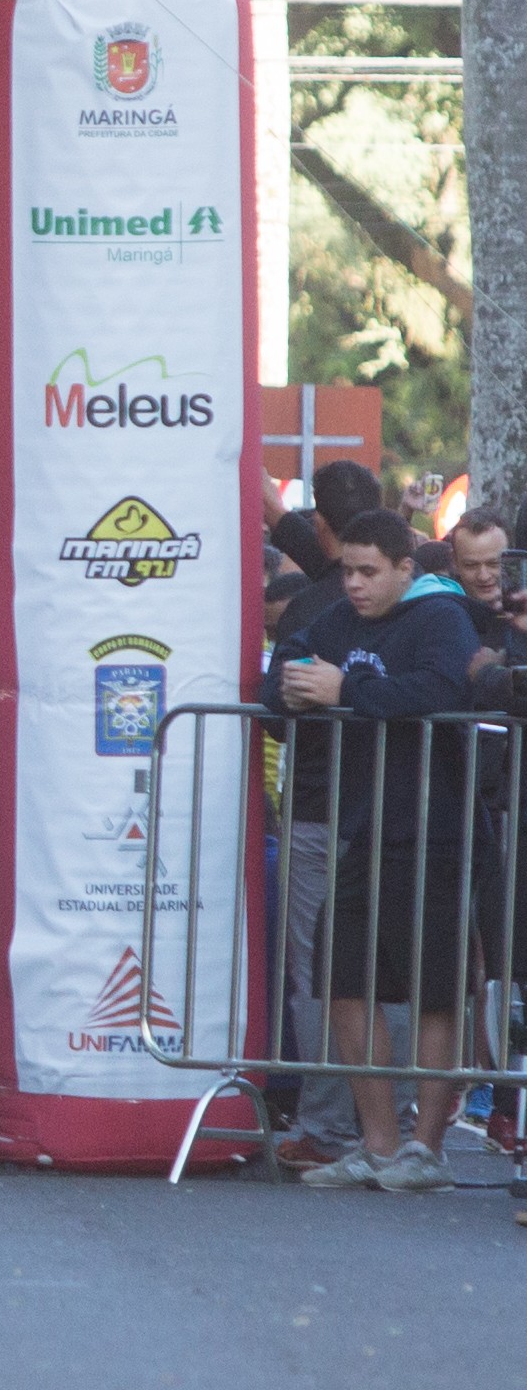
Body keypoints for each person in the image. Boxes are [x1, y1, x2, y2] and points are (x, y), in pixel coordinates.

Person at [271, 508, 483, 1193]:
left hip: (438, 828)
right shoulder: (339, 620)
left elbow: (442, 688)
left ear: (404, 570)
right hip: (364, 829)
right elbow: (285, 663)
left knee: (434, 991)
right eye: (349, 572)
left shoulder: (439, 617)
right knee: (341, 978)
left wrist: (347, 690)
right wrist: (295, 692)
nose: (355, 586)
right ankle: (380, 1143)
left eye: (369, 573)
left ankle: (425, 1147)